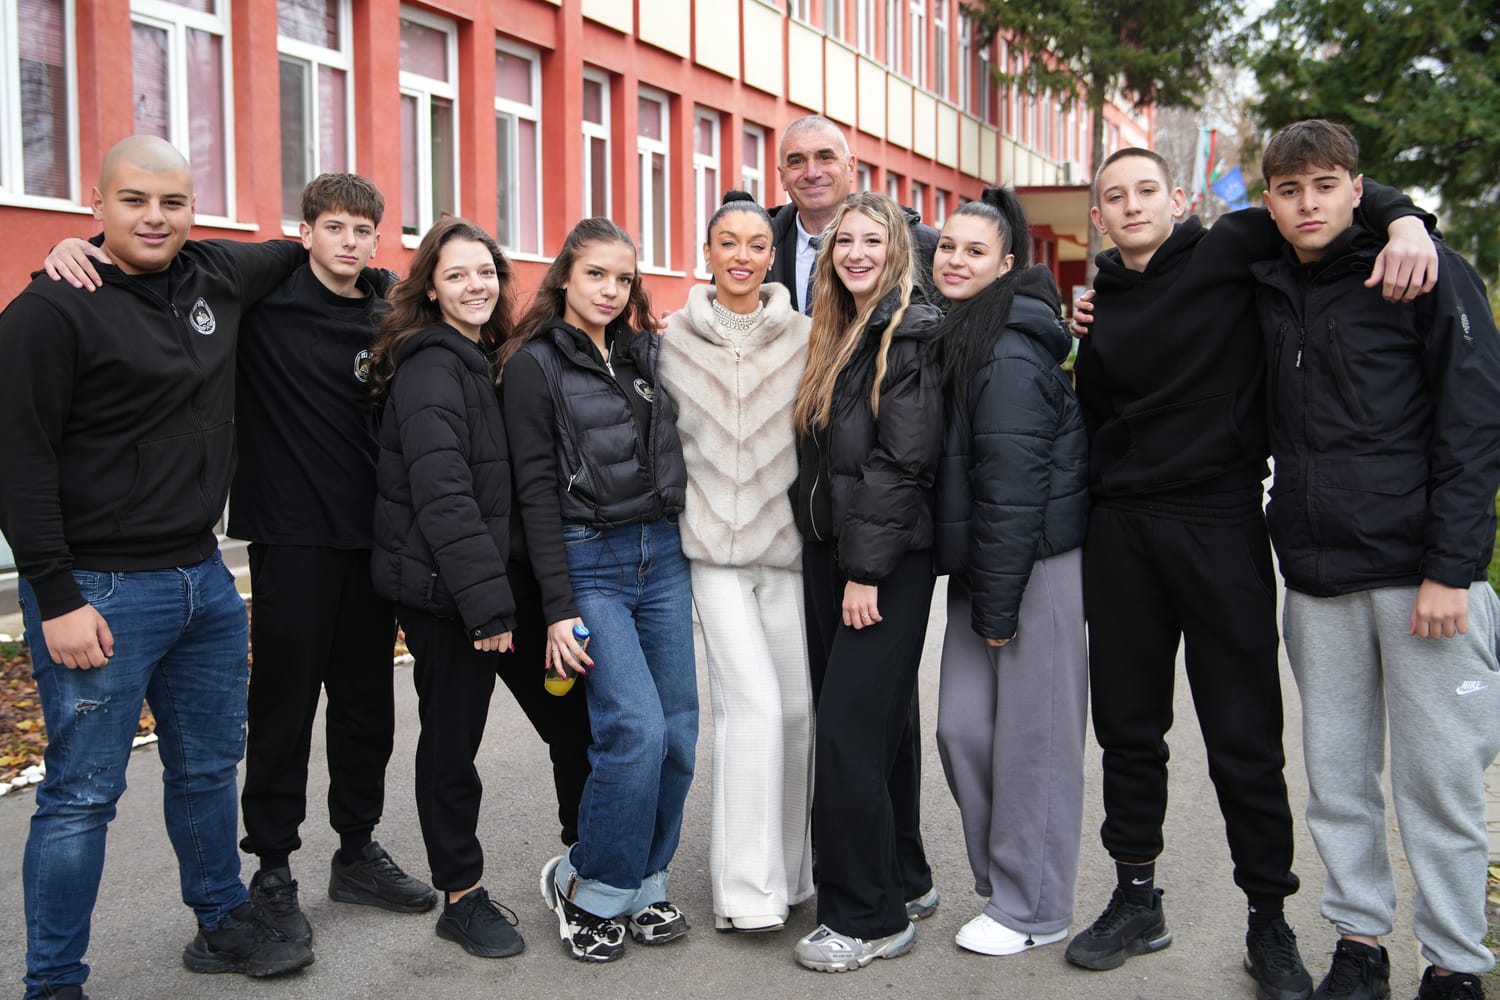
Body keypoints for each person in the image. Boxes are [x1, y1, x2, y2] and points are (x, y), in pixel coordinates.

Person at [1066, 145, 1439, 1000]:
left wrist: (1408, 221)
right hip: (1122, 529)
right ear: (1100, 217)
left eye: (1147, 190)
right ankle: (1135, 898)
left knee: (1243, 734)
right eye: (1115, 197)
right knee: (1128, 727)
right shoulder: (1101, 302)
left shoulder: (1232, 246)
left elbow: (1330, 195)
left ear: (1178, 199)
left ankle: (1268, 919)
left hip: (1218, 519)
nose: (1132, 205)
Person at [0, 135, 314, 998]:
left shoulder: (214, 274)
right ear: (96, 206)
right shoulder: (50, 310)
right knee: (81, 796)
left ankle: (220, 921)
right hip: (99, 591)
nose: (154, 217)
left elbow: (299, 249)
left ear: (192, 209)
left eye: (172, 202)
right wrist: (55, 596)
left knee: (207, 768)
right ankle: (53, 981)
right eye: (133, 200)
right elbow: (18, 463)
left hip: (204, 581)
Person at [1252, 119, 1500, 1000]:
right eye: (1290, 190)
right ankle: (1360, 945)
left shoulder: (1421, 271)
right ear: (1270, 203)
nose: (1308, 203)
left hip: (1421, 580)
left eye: (1326, 185)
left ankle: (1455, 963)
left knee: (1440, 786)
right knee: (1337, 782)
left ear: (1357, 190)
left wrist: (1452, 568)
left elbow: (1473, 424)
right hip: (1318, 581)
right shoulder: (1270, 281)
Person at [226, 174, 437, 942]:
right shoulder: (265, 305)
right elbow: (169, 265)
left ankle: (356, 851)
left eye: (362, 230)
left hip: (369, 539)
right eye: (335, 227)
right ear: (306, 231)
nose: (349, 242)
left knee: (365, 705)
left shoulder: (387, 314)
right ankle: (272, 866)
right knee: (283, 707)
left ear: (377, 239)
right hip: (291, 540)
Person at [500, 218, 695, 964]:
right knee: (634, 729)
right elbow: (533, 493)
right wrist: (557, 609)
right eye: (595, 275)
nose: (610, 290)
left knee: (677, 731)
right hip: (589, 562)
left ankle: (644, 879)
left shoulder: (645, 355)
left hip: (663, 555)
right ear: (564, 278)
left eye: (623, 278)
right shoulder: (533, 365)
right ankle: (587, 884)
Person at [929, 188, 1089, 958]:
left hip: (1035, 569)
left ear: (1005, 265)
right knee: (961, 727)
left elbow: (1013, 489)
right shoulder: (964, 332)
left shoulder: (1008, 353)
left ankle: (1036, 907)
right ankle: (1010, 881)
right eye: (947, 247)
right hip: (988, 565)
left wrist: (996, 608)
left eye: (974, 251)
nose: (955, 260)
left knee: (1036, 743)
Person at [788, 191, 943, 973]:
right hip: (833, 555)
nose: (855, 253)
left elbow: (901, 464)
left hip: (879, 563)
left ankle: (866, 916)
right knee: (881, 727)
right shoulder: (838, 330)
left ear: (897, 250)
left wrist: (865, 572)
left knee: (848, 731)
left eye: (871, 240)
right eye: (843, 240)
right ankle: (903, 877)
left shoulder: (908, 331)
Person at [368, 217, 524, 960]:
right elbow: (444, 496)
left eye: (485, 272)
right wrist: (486, 607)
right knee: (452, 746)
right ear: (430, 287)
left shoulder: (482, 356)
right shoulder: (433, 366)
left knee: (573, 724)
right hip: (450, 595)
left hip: (489, 584)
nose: (474, 285)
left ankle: (591, 859)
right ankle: (461, 896)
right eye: (456, 274)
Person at [658, 192, 813, 933]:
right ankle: (747, 895)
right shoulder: (670, 339)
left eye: (756, 243)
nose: (742, 256)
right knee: (751, 709)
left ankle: (792, 873)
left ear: (771, 256)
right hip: (712, 550)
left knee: (797, 712)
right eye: (728, 242)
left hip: (787, 548)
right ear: (707, 252)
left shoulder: (807, 336)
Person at [767, 115, 938, 313]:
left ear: (850, 167)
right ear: (782, 177)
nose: (812, 173)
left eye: (825, 157)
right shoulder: (758, 246)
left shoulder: (921, 244)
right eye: (797, 161)